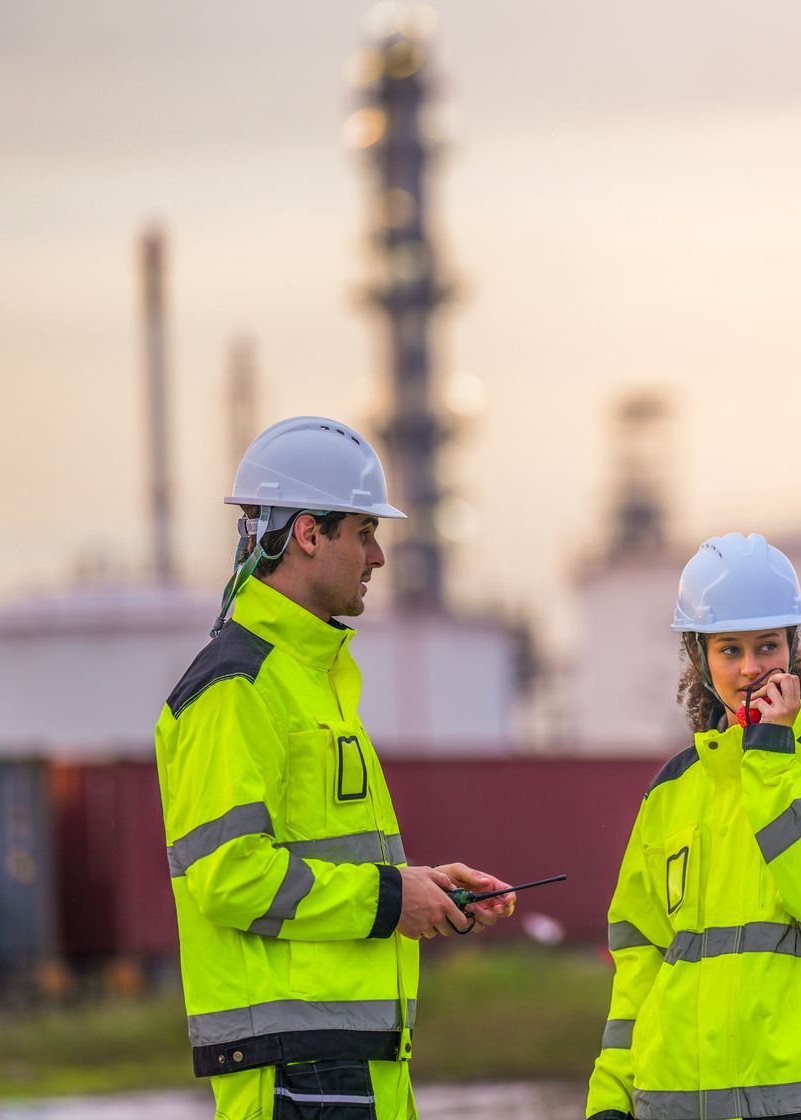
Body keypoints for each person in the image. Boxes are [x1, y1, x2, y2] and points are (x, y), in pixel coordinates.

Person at [156, 416, 516, 1119]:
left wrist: (424, 892)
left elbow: (332, 860)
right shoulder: (237, 688)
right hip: (299, 1073)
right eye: (363, 532)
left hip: (346, 1064)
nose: (378, 556)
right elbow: (228, 878)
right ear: (307, 535)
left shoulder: (310, 680)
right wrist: (391, 898)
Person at [586, 533, 801, 1120]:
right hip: (676, 1103)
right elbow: (639, 963)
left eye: (767, 646)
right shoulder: (669, 792)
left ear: (794, 650)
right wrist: (610, 1100)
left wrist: (772, 755)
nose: (750, 668)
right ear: (700, 659)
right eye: (729, 649)